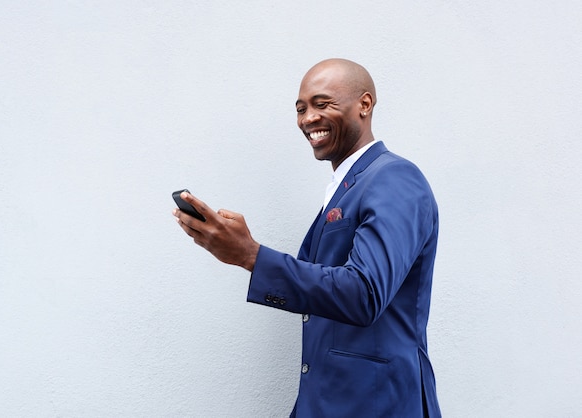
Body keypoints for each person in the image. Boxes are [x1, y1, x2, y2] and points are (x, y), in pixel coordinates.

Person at [173, 58, 441, 418]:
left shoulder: (394, 178)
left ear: (364, 104)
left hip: (378, 404)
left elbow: (364, 293)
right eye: (300, 109)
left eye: (322, 104)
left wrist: (251, 256)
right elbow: (324, 294)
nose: (307, 118)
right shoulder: (346, 187)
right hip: (327, 402)